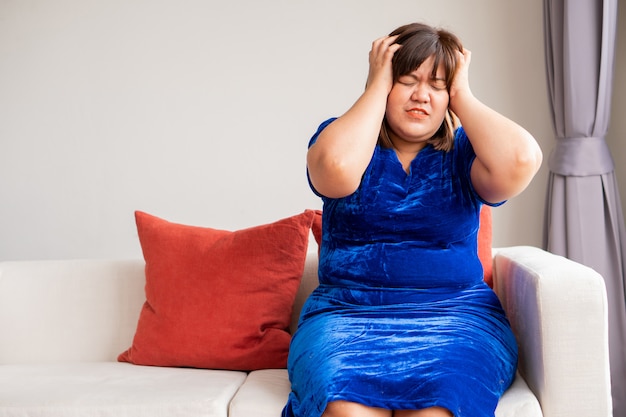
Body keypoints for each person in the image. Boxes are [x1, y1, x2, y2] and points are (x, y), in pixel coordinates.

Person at [282, 22, 543, 417]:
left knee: (436, 411)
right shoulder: (344, 139)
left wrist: (463, 94)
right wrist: (375, 86)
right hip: (347, 317)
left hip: (456, 319)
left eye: (437, 85)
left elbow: (522, 160)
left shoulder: (466, 154)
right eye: (407, 80)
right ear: (385, 82)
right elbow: (334, 170)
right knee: (344, 409)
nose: (421, 95)